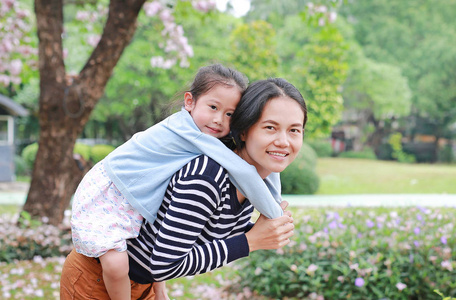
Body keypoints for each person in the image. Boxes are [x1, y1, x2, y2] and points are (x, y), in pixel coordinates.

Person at [61, 77, 307, 298]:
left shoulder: (253, 182)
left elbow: (206, 229)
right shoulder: (206, 178)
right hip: (98, 281)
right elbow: (165, 264)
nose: (283, 141)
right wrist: (250, 241)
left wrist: (262, 231)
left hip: (142, 282)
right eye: (270, 127)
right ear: (243, 131)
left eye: (294, 130)